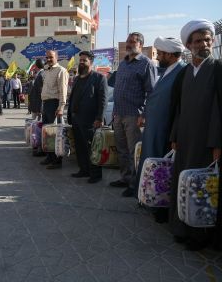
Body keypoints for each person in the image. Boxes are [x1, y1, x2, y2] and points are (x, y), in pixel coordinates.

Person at [169, 19, 221, 251]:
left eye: (207, 39)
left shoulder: (217, 68)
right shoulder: (186, 73)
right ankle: (182, 228)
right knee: (184, 184)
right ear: (189, 45)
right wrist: (175, 135)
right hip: (185, 139)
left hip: (206, 142)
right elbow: (179, 108)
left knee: (202, 187)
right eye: (198, 41)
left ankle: (200, 236)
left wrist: (217, 143)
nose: (204, 44)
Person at [134, 37, 185, 222]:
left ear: (170, 55)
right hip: (154, 127)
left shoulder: (181, 71)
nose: (158, 56)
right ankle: (150, 199)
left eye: (161, 53)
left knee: (163, 169)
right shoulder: (167, 70)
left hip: (165, 130)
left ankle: (161, 207)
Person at [110, 32, 157, 197]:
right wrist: (114, 113)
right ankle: (125, 178)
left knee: (133, 151)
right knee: (121, 150)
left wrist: (143, 114)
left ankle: (135, 184)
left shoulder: (146, 64)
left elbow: (151, 92)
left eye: (133, 42)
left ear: (141, 45)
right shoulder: (123, 63)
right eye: (128, 41)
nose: (129, 44)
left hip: (133, 116)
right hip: (119, 114)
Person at [67, 51, 108, 183]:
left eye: (84, 60)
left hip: (91, 121)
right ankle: (84, 170)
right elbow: (73, 97)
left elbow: (103, 100)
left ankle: (96, 174)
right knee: (80, 147)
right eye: (80, 60)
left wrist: (99, 118)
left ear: (91, 62)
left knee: (93, 148)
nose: (81, 62)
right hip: (76, 119)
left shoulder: (99, 78)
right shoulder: (78, 78)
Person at [40, 50, 69, 169]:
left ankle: (57, 161)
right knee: (47, 133)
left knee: (55, 134)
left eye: (51, 57)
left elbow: (63, 90)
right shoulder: (46, 71)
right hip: (46, 104)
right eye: (47, 57)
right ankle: (50, 156)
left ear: (57, 57)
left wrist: (61, 107)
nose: (48, 59)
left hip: (54, 104)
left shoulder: (61, 71)